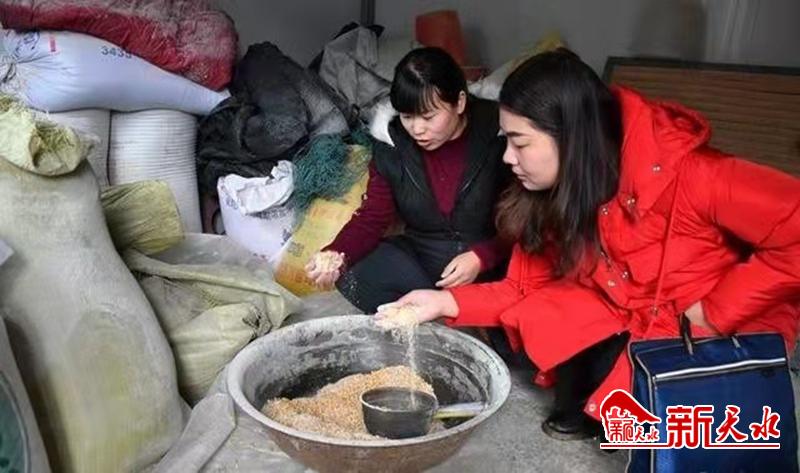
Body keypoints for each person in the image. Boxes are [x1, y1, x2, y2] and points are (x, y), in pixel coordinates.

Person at [382, 49, 800, 440]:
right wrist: (444, 302)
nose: (507, 157)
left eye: (520, 142)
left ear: (571, 137)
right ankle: (605, 403)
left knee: (675, 435)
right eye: (505, 140)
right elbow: (523, 288)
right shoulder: (559, 191)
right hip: (633, 308)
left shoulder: (696, 175)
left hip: (710, 323)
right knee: (542, 319)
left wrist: (716, 311)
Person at [306, 47, 509, 313]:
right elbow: (372, 217)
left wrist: (483, 256)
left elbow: (525, 222)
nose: (417, 129)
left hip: (488, 262)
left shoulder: (501, 136)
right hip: (424, 261)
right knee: (356, 271)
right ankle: (434, 312)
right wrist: (336, 253)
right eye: (407, 117)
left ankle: (453, 312)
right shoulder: (391, 145)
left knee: (523, 296)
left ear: (459, 103)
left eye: (428, 116)